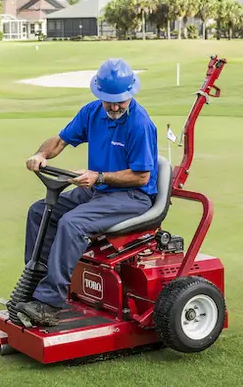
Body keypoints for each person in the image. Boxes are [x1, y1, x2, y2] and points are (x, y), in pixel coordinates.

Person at [14, 58, 159, 326]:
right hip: (98, 191)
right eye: (109, 101)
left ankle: (49, 304)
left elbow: (142, 176)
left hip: (132, 196)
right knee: (39, 212)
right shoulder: (92, 113)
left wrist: (99, 176)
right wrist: (41, 154)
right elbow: (60, 140)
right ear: (99, 95)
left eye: (121, 101)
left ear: (131, 94)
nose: (115, 106)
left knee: (72, 224)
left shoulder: (140, 124)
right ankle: (34, 285)